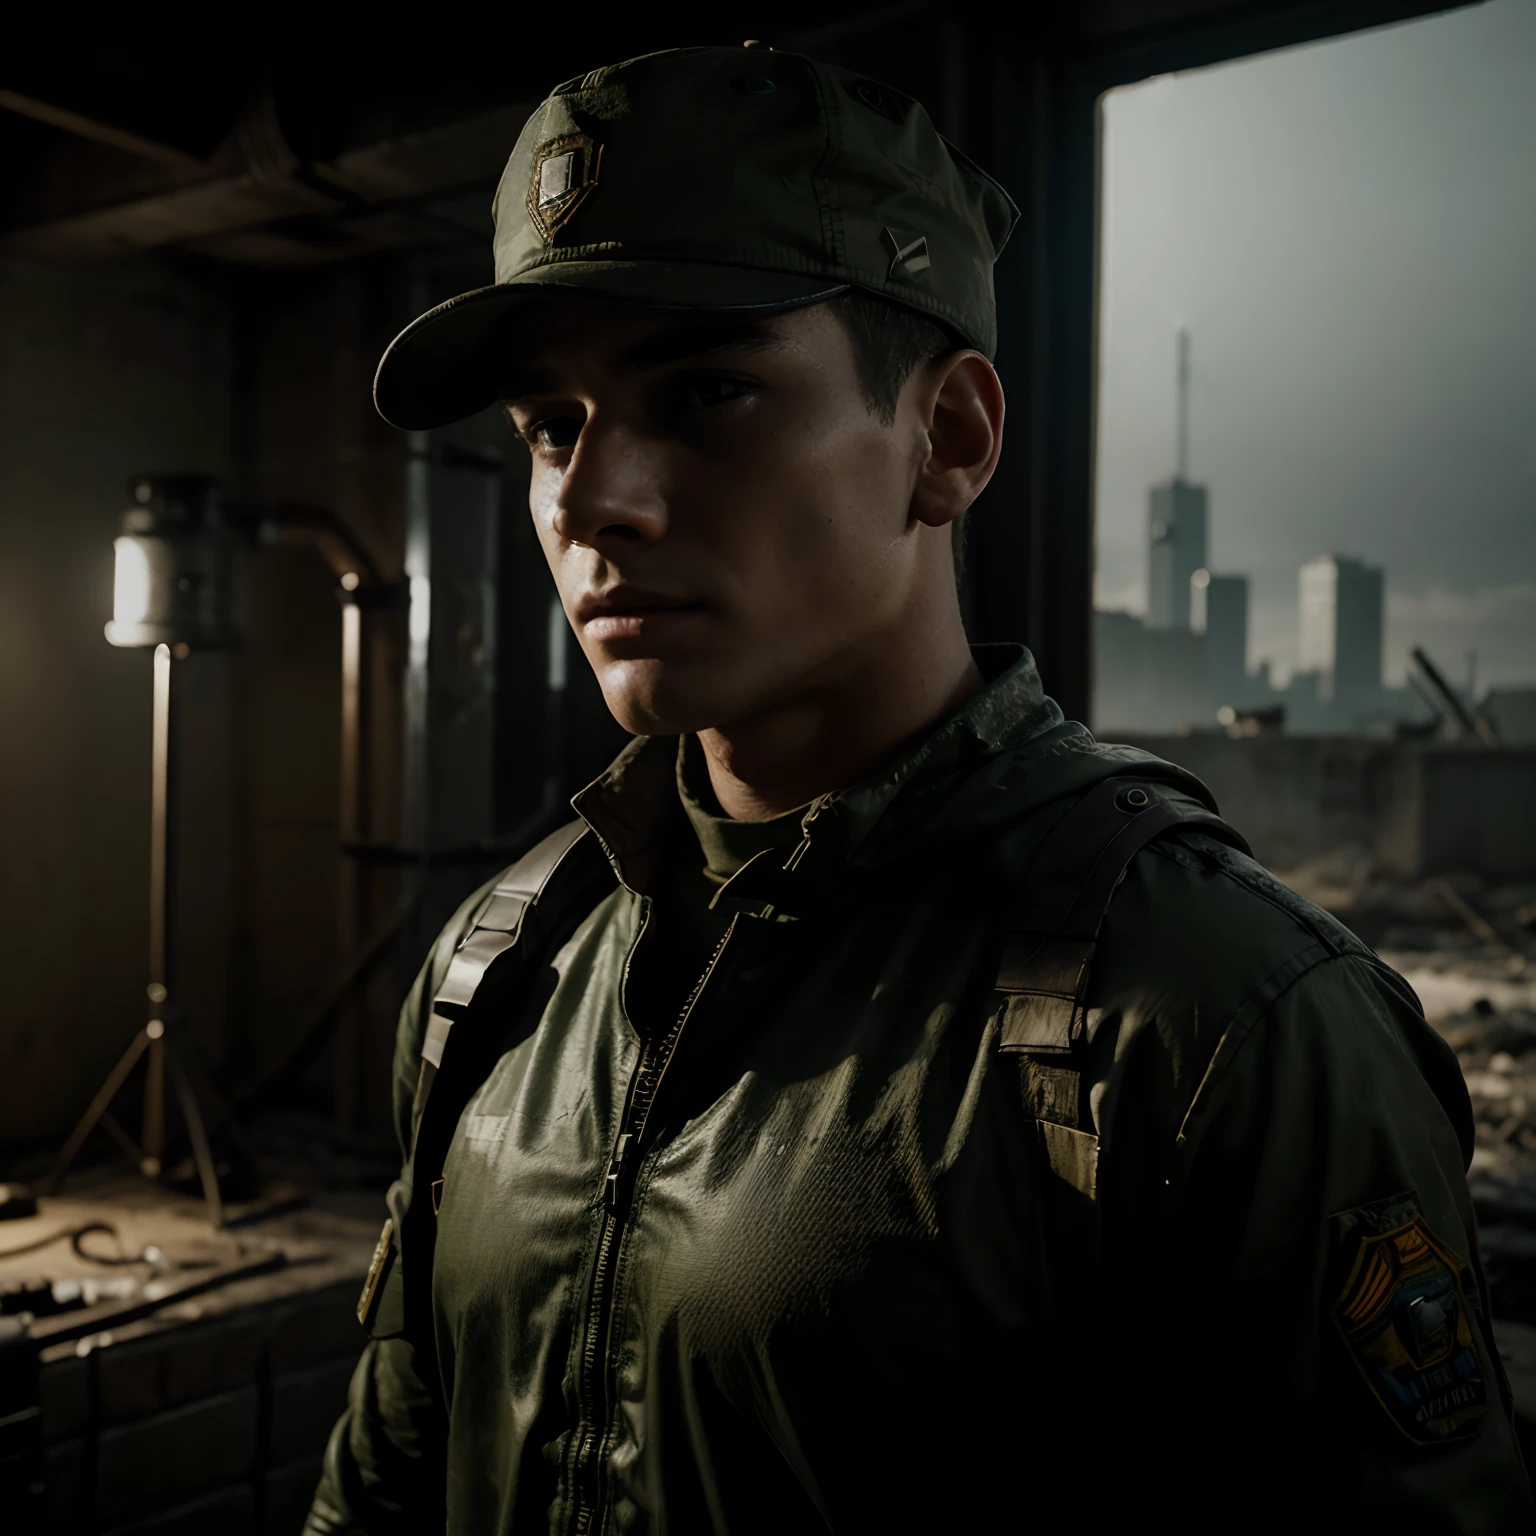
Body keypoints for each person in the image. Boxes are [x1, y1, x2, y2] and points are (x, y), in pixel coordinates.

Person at [305, 43, 1532, 1535]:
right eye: (551, 423)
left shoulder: (1214, 1020)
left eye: (702, 395)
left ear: (946, 439)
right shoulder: (501, 968)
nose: (588, 498)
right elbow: (380, 1488)